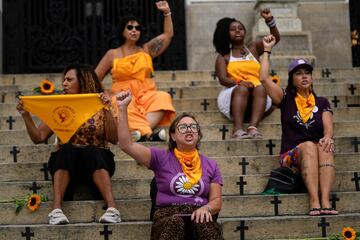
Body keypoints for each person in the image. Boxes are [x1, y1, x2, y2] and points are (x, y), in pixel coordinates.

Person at [16, 64, 121, 224]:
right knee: (66, 148)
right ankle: (56, 210)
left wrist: (107, 109)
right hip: (67, 162)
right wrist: (26, 116)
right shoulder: (60, 106)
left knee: (91, 150)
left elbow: (114, 138)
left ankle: (112, 209)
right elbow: (39, 137)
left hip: (98, 160)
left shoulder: (100, 103)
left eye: (69, 79)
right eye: (64, 80)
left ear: (83, 81)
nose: (64, 83)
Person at [116, 90, 223, 239]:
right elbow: (126, 145)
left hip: (199, 215)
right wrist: (122, 109)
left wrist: (206, 208)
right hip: (168, 215)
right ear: (173, 135)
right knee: (175, 222)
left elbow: (216, 201)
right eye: (183, 127)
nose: (189, 130)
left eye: (193, 127)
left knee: (203, 224)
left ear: (198, 135)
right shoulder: (160, 157)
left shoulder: (211, 164)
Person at [259, 35, 337, 216]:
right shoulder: (285, 98)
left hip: (318, 152)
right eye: (299, 73)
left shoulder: (322, 101)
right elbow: (263, 78)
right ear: (292, 79)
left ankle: (326, 201)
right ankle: (314, 201)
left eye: (307, 73)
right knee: (310, 145)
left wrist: (327, 137)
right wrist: (267, 50)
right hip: (291, 156)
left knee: (324, 145)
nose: (304, 76)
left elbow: (328, 128)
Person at [95, 0, 175, 142]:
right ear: (122, 31)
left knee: (163, 97)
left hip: (147, 94)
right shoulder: (112, 54)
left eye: (137, 28)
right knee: (119, 103)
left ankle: (139, 133)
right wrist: (106, 92)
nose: (134, 30)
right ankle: (149, 135)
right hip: (122, 95)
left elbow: (168, 35)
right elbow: (94, 78)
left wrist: (166, 12)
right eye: (130, 27)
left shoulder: (146, 49)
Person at [213, 9, 280, 139]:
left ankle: (253, 127)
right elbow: (222, 79)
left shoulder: (254, 48)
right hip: (233, 95)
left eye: (240, 28)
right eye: (233, 29)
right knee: (242, 89)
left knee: (261, 87)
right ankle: (237, 129)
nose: (237, 30)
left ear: (245, 32)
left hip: (256, 94)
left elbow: (275, 39)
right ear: (227, 34)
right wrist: (239, 82)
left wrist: (270, 20)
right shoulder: (223, 56)